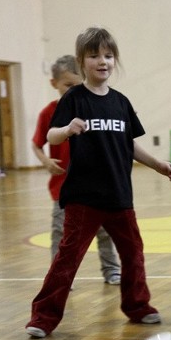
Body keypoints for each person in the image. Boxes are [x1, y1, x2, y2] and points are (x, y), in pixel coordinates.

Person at [25, 27, 171, 338]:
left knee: (133, 253)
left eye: (108, 55)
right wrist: (67, 128)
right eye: (94, 55)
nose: (102, 61)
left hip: (120, 196)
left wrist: (159, 164)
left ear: (114, 60)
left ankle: (138, 306)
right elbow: (51, 135)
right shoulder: (73, 98)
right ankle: (42, 318)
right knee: (67, 259)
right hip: (83, 198)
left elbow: (131, 145)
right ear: (83, 61)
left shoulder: (121, 102)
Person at [31, 55, 121, 286]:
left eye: (77, 83)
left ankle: (111, 270)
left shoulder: (93, 106)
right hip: (63, 188)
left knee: (104, 231)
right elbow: (36, 143)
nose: (74, 89)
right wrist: (45, 161)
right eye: (68, 85)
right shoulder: (48, 113)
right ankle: (60, 277)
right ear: (55, 84)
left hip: (96, 184)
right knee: (62, 234)